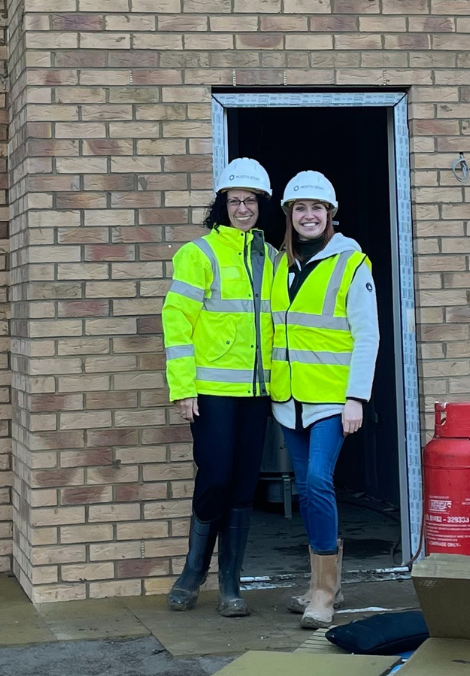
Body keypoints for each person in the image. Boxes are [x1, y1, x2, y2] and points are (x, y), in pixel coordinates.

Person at [161, 158, 276, 616]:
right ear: (222, 205)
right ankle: (194, 572)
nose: (242, 208)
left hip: (258, 394)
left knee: (244, 485)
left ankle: (231, 582)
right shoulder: (199, 254)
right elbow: (176, 321)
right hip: (210, 392)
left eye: (250, 201)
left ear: (260, 206)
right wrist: (183, 388)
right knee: (215, 477)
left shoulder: (273, 259)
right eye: (234, 201)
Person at [270, 170, 380, 629]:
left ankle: (324, 594)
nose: (308, 216)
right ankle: (321, 582)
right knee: (306, 488)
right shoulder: (280, 264)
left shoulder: (353, 264)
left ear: (331, 215)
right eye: (300, 209)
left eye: (317, 208)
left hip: (332, 401)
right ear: (289, 216)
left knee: (317, 482)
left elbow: (367, 335)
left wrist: (356, 398)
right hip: (288, 398)